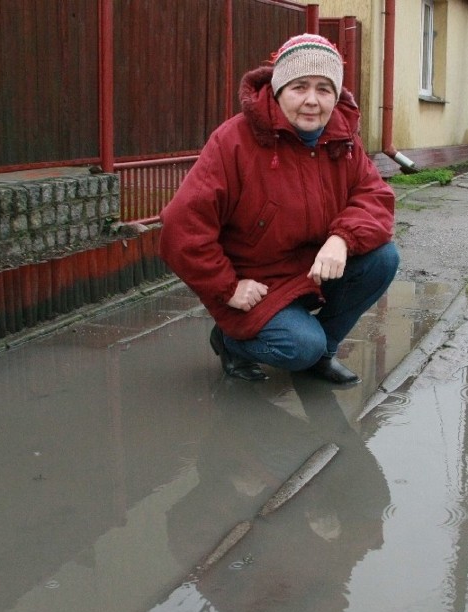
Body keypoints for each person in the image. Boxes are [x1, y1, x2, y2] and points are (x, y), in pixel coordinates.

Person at [160, 34, 399, 384]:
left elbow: (375, 197)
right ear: (277, 89)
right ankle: (231, 342)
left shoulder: (342, 139)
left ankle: (323, 353)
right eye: (299, 87)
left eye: (324, 89)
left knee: (383, 259)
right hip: (255, 281)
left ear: (336, 95)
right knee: (299, 347)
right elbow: (181, 227)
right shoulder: (233, 141)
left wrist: (342, 239)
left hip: (310, 269)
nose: (312, 101)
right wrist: (228, 287)